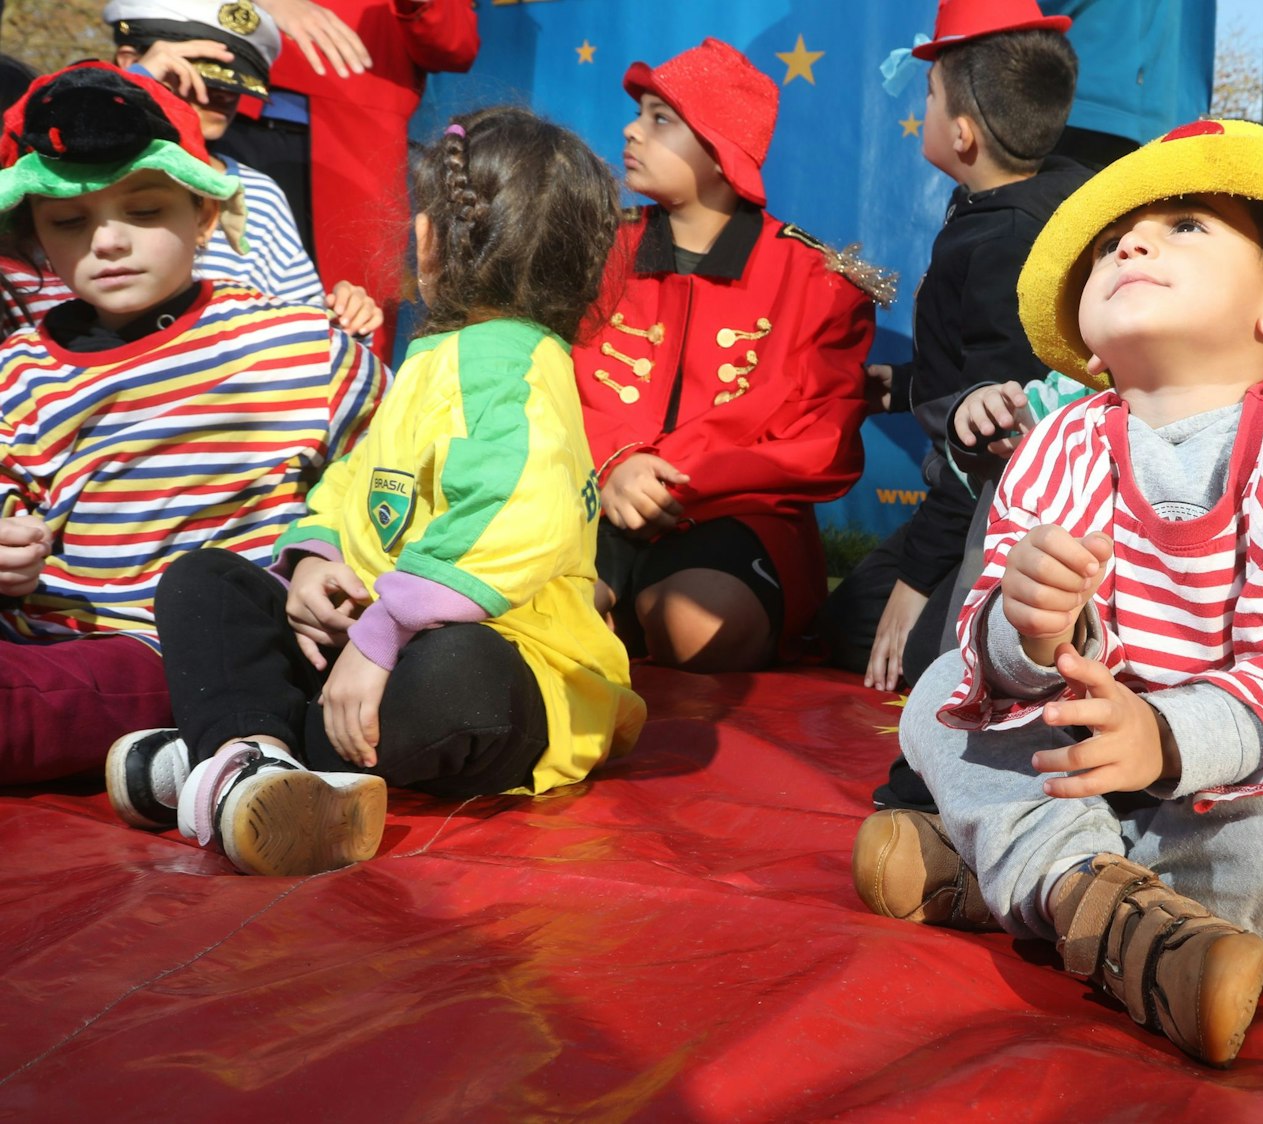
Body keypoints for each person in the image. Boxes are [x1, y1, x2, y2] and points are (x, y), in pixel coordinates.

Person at [852, 120, 1263, 1067]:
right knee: (938, 703)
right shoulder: (1059, 443)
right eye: (1111, 243)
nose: (1132, 244)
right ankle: (1106, 913)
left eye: (1184, 225)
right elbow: (997, 673)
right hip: (1103, 763)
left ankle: (1014, 877)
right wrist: (1019, 631)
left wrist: (1167, 739)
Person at [107, 107, 645, 877]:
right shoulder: (436, 353)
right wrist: (317, 556)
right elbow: (360, 475)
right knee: (204, 580)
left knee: (459, 677)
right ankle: (251, 758)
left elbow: (510, 522)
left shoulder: (520, 368)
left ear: (427, 241)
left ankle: (239, 752)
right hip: (369, 647)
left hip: (518, 674)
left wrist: (383, 632)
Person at [0, 62, 382, 785]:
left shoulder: (299, 345)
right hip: (40, 630)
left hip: (167, 653)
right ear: (35, 237)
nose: (108, 242)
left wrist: (338, 567)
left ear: (204, 215)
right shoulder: (18, 369)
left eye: (143, 212)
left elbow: (397, 470)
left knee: (20, 710)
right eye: (70, 222)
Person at [577, 39, 885, 673]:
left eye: (661, 118)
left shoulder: (818, 280)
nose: (631, 130)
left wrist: (670, 475)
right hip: (592, 494)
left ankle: (634, 619)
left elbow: (820, 443)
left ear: (722, 154)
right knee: (545, 619)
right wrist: (613, 465)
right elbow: (548, 375)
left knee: (700, 628)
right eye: (639, 112)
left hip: (731, 516)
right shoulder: (590, 254)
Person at [820, 0, 1093, 693]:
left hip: (1005, 510)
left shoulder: (1007, 243)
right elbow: (978, 363)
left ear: (963, 136)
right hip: (970, 499)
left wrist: (917, 582)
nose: (925, 108)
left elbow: (992, 442)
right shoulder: (1019, 204)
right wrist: (907, 384)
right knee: (850, 615)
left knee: (901, 645)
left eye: (931, 96)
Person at [2, 1, 381, 336]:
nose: (225, 93)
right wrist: (136, 85)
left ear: (209, 212)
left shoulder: (258, 192)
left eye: (237, 80)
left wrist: (340, 319)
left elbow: (301, 318)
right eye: (200, 71)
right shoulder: (55, 183)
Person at [214, 0, 479, 360]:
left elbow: (453, 43)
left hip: (356, 138)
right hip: (222, 106)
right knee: (217, 317)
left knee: (351, 330)